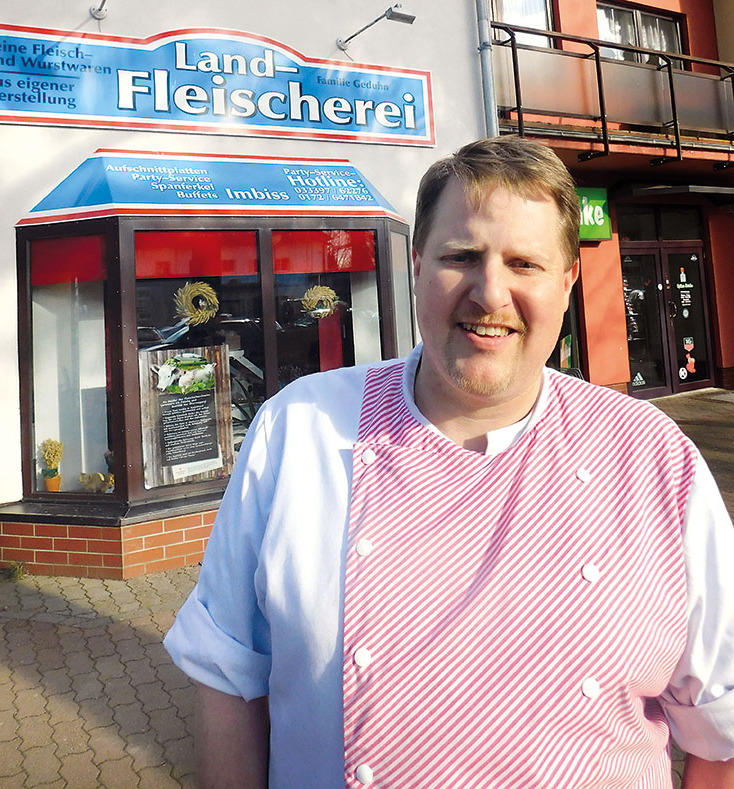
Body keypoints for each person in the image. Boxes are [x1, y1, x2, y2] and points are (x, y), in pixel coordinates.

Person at [165, 137, 734, 787]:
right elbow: (229, 676)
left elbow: (718, 728)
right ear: (415, 265)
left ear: (569, 282)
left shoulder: (654, 458)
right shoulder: (298, 431)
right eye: (461, 256)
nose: (490, 294)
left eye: (525, 263)